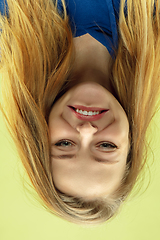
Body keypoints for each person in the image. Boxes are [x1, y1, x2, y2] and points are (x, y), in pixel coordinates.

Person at [0, 0, 160, 225]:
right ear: (131, 139)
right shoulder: (153, 30)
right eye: (106, 146)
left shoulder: (9, 30)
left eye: (64, 144)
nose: (86, 130)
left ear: (40, 135)